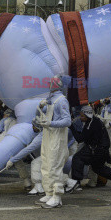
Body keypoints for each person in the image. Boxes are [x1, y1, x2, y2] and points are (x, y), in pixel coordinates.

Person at [68, 105, 111, 194]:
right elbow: (85, 135)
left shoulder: (91, 124)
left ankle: (76, 182)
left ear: (88, 116)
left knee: (77, 158)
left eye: (82, 116)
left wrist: (71, 127)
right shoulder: (94, 121)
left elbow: (80, 138)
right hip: (102, 150)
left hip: (96, 150)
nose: (80, 118)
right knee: (98, 168)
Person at [35, 75, 71, 209]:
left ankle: (57, 196)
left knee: (55, 165)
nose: (49, 84)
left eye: (51, 82)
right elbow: (38, 115)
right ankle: (49, 192)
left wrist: (51, 123)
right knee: (46, 164)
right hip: (47, 135)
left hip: (57, 136)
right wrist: (39, 106)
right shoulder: (49, 100)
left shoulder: (62, 101)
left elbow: (67, 121)